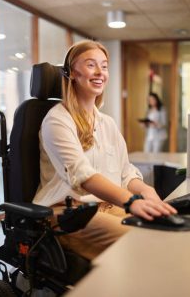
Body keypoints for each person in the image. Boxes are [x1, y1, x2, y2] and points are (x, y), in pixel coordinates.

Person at [33, 40, 176, 260]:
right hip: (67, 213)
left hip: (107, 207)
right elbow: (84, 176)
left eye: (105, 66)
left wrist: (146, 192)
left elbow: (125, 172)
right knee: (142, 244)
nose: (100, 72)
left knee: (164, 233)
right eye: (91, 65)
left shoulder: (106, 123)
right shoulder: (57, 120)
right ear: (72, 72)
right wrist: (131, 202)